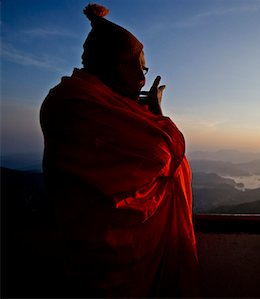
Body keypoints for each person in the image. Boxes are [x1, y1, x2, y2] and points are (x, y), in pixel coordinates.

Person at [40, 4, 198, 297]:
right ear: (117, 64)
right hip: (104, 251)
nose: (142, 75)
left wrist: (146, 112)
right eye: (139, 65)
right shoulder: (77, 102)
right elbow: (163, 155)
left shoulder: (83, 101)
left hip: (92, 248)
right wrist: (157, 113)